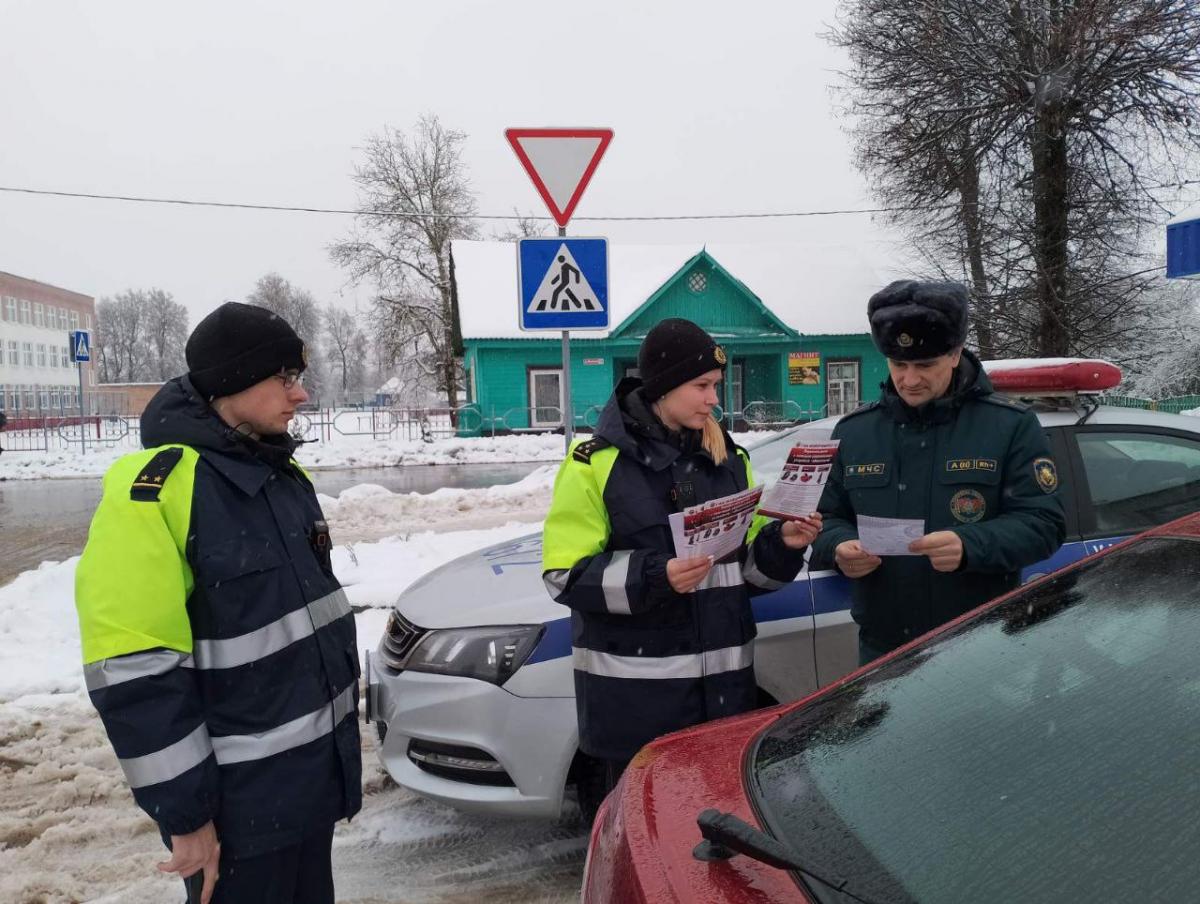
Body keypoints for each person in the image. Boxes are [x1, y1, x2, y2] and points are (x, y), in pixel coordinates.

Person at [74, 302, 360, 904]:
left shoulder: (280, 477)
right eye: (283, 378)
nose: (301, 395)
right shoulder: (155, 490)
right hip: (235, 820)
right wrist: (186, 816)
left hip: (307, 796)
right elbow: (134, 670)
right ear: (232, 381)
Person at [541, 318, 820, 818]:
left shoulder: (728, 459)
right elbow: (565, 575)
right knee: (646, 850)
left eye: (715, 386)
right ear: (663, 387)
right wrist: (657, 576)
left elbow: (748, 574)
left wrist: (784, 544)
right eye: (703, 386)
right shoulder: (593, 464)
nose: (715, 399)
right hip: (637, 709)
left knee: (715, 849)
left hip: (726, 702)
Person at [809, 280, 1066, 666]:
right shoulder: (855, 433)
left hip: (981, 649)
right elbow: (826, 518)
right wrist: (839, 548)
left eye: (925, 365)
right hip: (884, 653)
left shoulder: (1009, 426)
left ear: (956, 353)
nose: (910, 380)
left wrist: (969, 545)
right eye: (899, 364)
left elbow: (1044, 523)